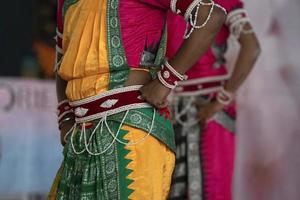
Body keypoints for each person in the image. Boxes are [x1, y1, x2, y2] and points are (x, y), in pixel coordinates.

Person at [48, 0, 227, 199]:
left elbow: (210, 16)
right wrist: (65, 117)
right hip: (82, 135)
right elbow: (62, 56)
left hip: (131, 128)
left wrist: (166, 81)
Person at [166, 0, 261, 199]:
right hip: (172, 110)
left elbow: (252, 48)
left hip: (209, 110)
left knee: (212, 188)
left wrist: (221, 100)